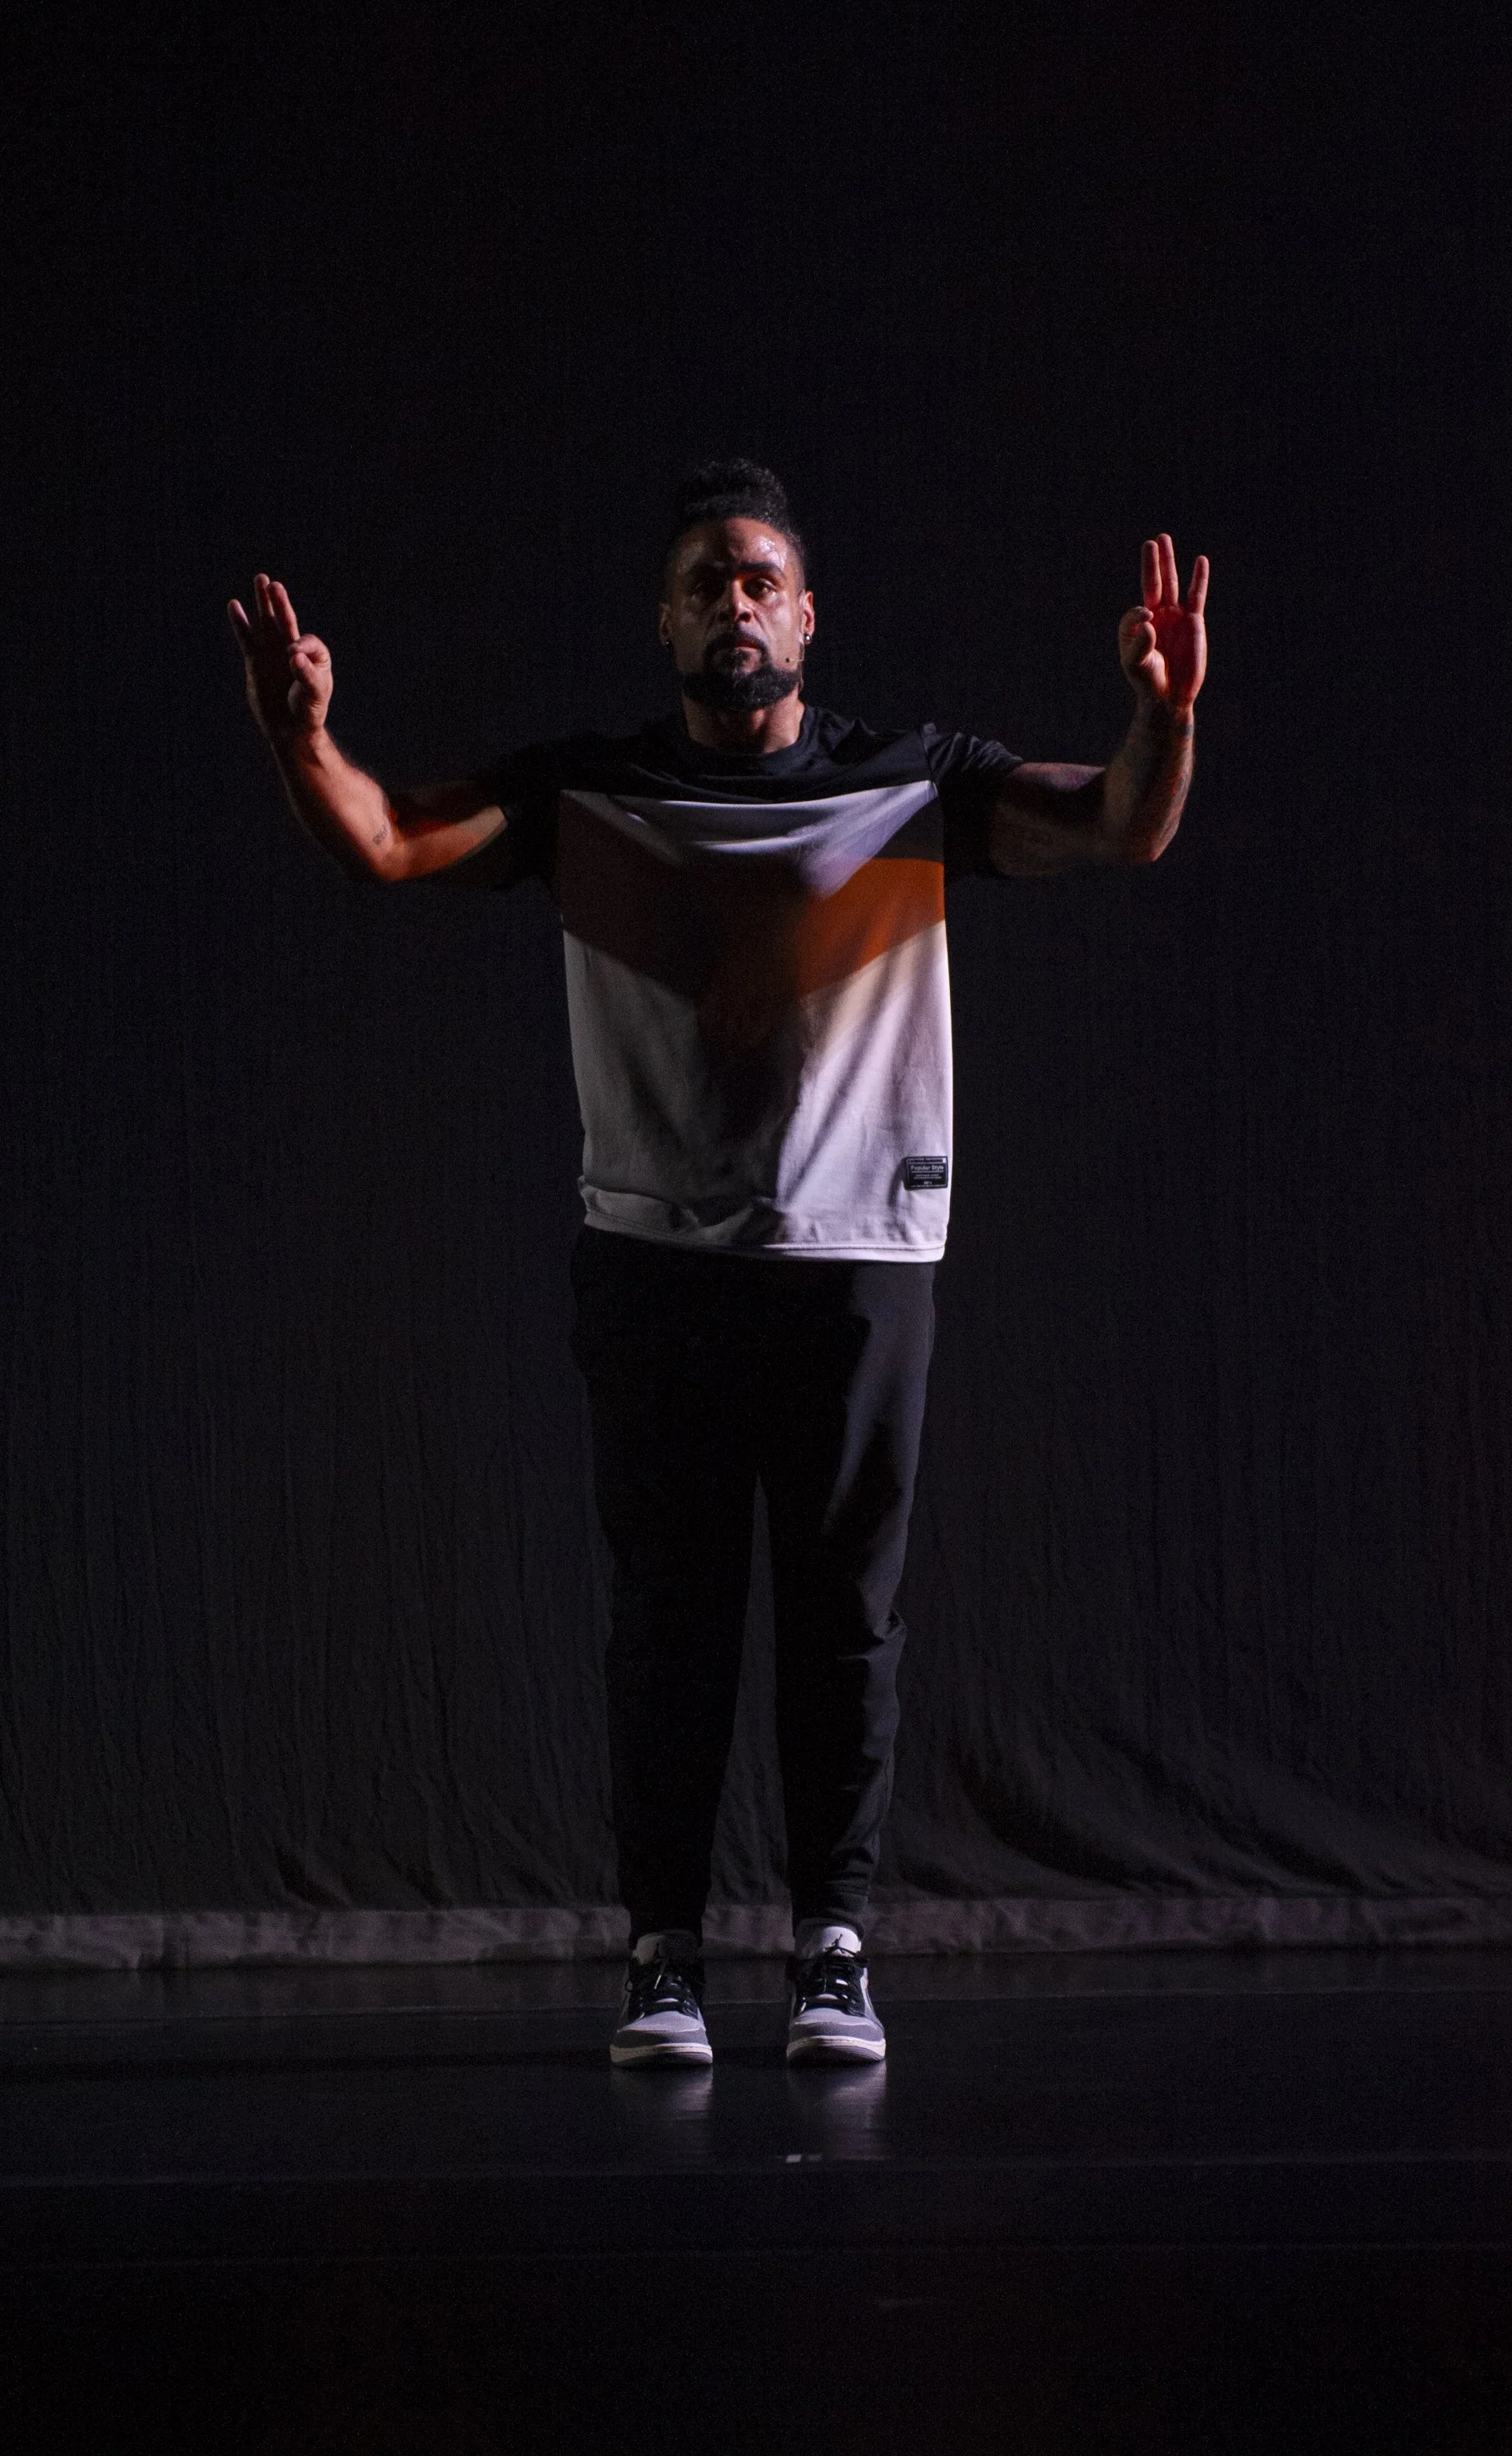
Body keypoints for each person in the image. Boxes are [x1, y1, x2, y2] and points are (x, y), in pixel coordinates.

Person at [228, 461, 1208, 2069]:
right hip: (655, 1262)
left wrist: (1164, 717)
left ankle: (835, 1949)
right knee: (668, 1623)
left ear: (807, 617)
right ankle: (663, 1959)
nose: (733, 603)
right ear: (667, 624)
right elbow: (388, 844)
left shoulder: (914, 783)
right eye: (704, 583)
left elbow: (1120, 824)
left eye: (758, 579)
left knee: (847, 1620)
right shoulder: (588, 791)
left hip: (861, 1256)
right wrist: (301, 738)